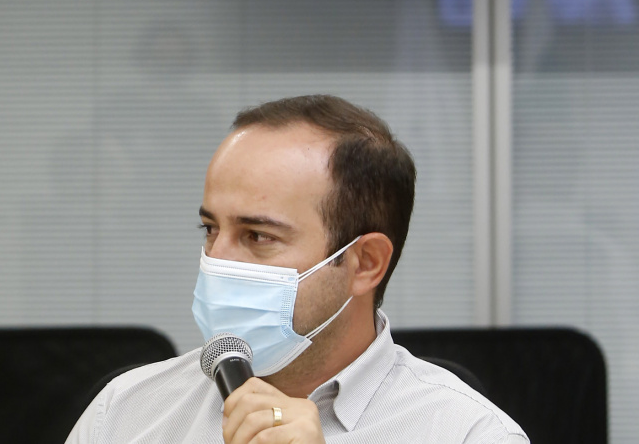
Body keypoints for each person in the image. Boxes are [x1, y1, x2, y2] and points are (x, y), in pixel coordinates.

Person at [65, 94, 528, 444]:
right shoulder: (124, 414)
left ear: (364, 263)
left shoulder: (469, 433)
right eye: (210, 229)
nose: (217, 258)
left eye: (258, 236)